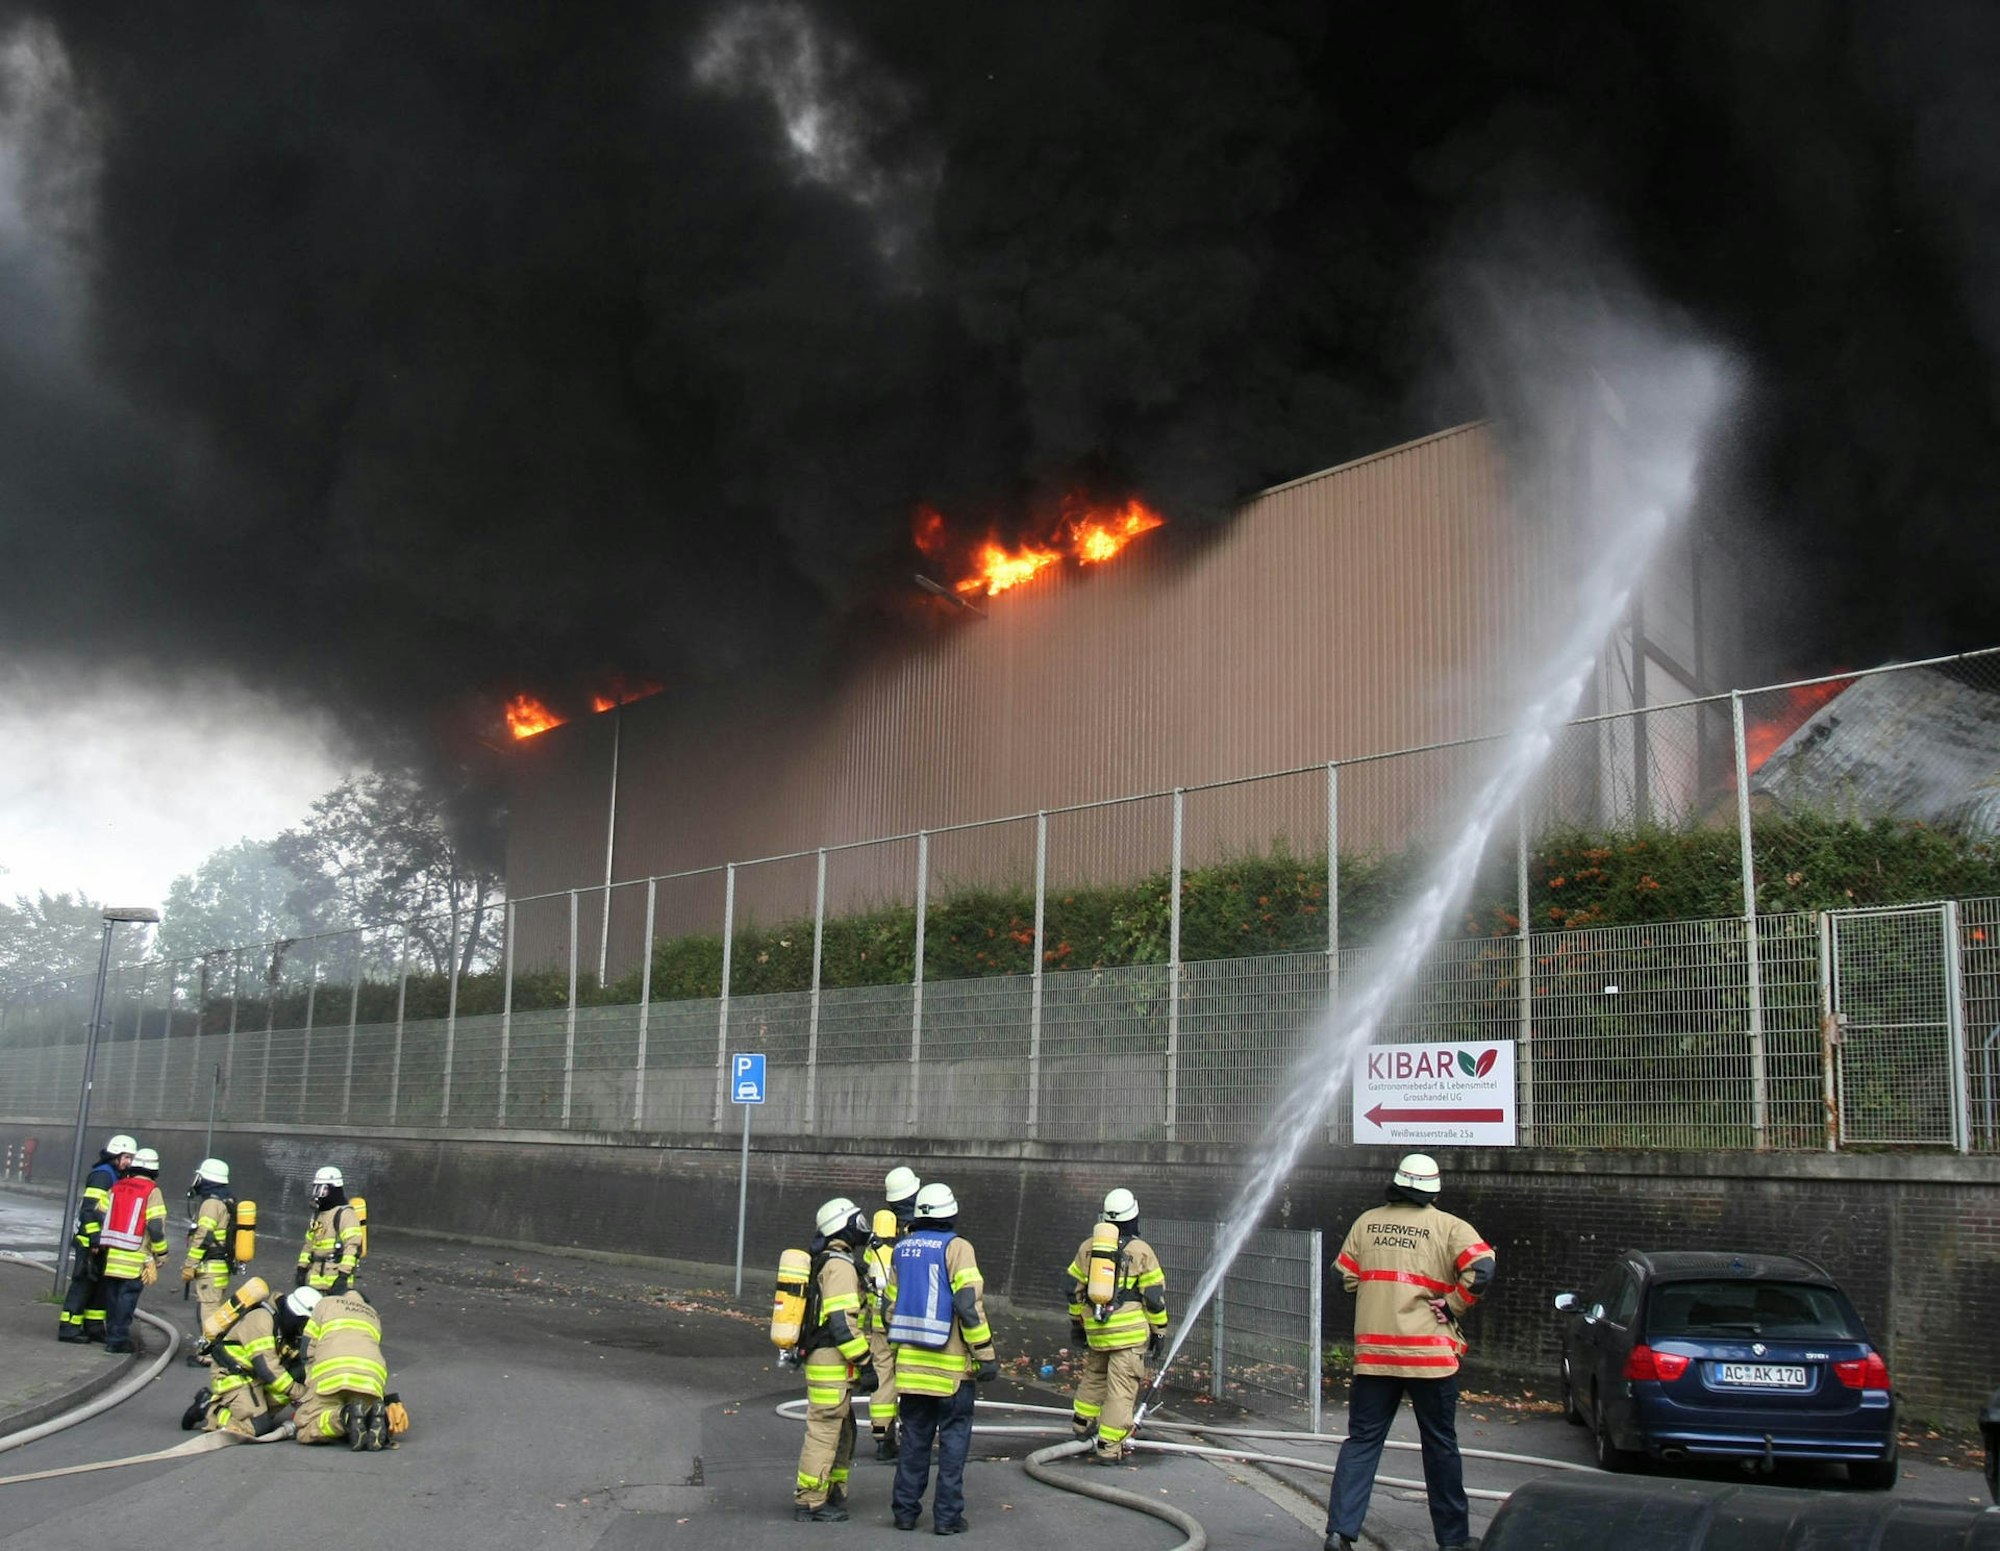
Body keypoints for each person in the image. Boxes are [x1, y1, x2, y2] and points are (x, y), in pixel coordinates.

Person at [1323, 1154, 1495, 1551]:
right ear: (1433, 1190)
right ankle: (1452, 1541)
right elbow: (1482, 1269)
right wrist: (1454, 1303)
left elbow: (1341, 1276)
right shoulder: (1449, 1226)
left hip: (1375, 1355)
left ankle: (1340, 1532)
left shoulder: (1367, 1222)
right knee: (1440, 1446)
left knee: (1362, 1442)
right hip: (1429, 1359)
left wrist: (1374, 1293)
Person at [887, 1182, 997, 1536]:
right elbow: (968, 1305)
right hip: (950, 1373)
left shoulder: (901, 1249)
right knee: (952, 1444)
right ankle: (947, 1518)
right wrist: (986, 1355)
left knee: (914, 1442)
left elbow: (888, 1308)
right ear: (951, 1213)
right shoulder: (958, 1248)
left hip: (910, 1371)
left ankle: (904, 1513)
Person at [1064, 1187, 1168, 1462]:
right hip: (1129, 1335)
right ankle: (1109, 1447)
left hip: (1097, 1329)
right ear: (1133, 1216)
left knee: (1095, 1376)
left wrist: (1078, 1323)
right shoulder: (1141, 1250)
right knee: (1121, 1389)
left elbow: (1071, 1288)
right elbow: (1154, 1298)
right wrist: (1159, 1331)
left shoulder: (1089, 1248)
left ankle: (1081, 1426)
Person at [794, 1197, 875, 1523]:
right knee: (826, 1429)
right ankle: (810, 1501)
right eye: (857, 1221)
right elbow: (842, 1324)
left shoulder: (831, 1260)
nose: (862, 1227)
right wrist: (866, 1362)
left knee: (843, 1427)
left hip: (828, 1360)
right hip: (830, 1361)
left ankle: (832, 1491)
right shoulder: (838, 1266)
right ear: (844, 1226)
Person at [197, 1286, 315, 1436]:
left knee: (295, 1373)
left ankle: (251, 1412)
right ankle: (209, 1409)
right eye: (303, 1323)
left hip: (254, 1376)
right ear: (296, 1315)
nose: (303, 1328)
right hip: (233, 1375)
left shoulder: (284, 1325)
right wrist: (298, 1393)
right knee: (257, 1427)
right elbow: (266, 1368)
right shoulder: (262, 1320)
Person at [863, 1165, 921, 1461]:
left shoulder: (879, 1232)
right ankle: (912, 1437)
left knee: (883, 1374)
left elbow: (866, 1275)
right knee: (909, 1374)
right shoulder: (920, 1232)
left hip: (876, 1317)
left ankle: (883, 1436)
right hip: (905, 1316)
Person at [58, 1132, 135, 1343]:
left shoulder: (116, 1175)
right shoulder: (103, 1175)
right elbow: (89, 1210)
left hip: (102, 1241)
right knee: (83, 1283)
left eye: (131, 1158)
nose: (129, 1162)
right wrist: (94, 1239)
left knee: (99, 1286)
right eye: (126, 1157)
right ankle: (69, 1327)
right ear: (115, 1156)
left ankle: (93, 1326)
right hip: (90, 1241)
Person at [293, 1286, 391, 1450]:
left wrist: (309, 1382)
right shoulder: (373, 1314)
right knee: (362, 1410)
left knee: (306, 1428)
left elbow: (306, 1348)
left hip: (331, 1375)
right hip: (370, 1378)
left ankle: (343, 1417)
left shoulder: (325, 1304)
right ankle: (370, 1418)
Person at [100, 1145, 169, 1355]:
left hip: (111, 1255)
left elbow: (100, 1213)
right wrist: (161, 1252)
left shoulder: (117, 1186)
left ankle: (112, 1335)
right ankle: (118, 1341)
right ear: (154, 1172)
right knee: (126, 1301)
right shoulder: (152, 1191)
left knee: (112, 1300)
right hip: (134, 1257)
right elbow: (155, 1227)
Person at [182, 1157, 236, 1366]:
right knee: (215, 1308)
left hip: (210, 1268)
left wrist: (189, 1264)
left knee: (209, 1311)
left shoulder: (211, 1203)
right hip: (221, 1267)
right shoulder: (226, 1200)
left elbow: (203, 1235)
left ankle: (208, 1355)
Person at [297, 1165, 363, 1293]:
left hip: (335, 1280)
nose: (318, 1194)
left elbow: (353, 1247)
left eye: (323, 1190)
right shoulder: (318, 1215)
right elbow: (309, 1245)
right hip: (315, 1280)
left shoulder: (345, 1214)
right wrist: (302, 1268)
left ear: (334, 1189)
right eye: (316, 1189)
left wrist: (343, 1277)